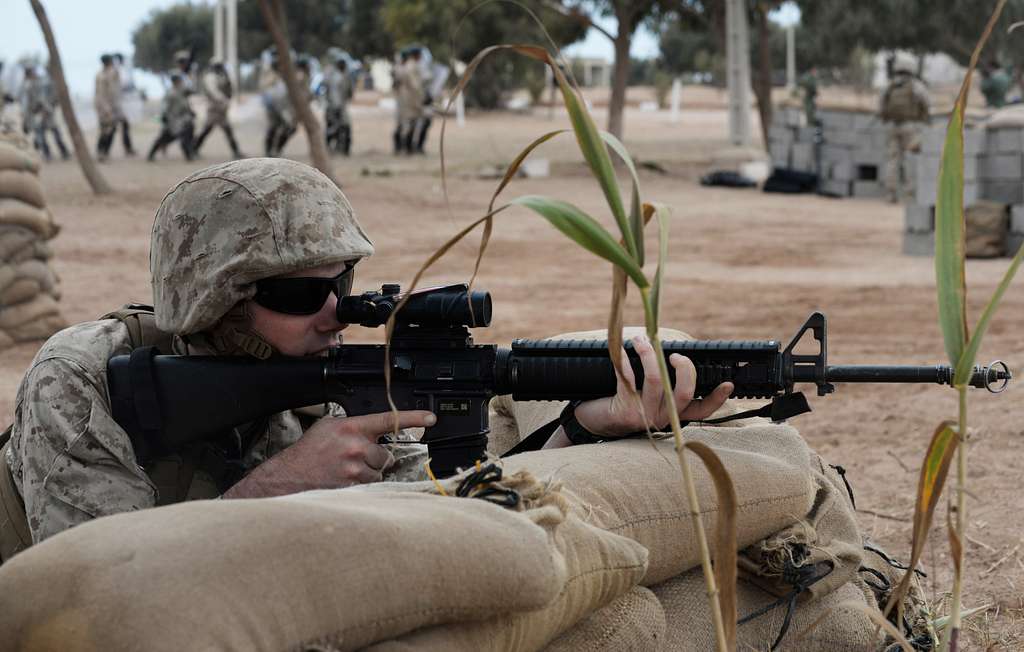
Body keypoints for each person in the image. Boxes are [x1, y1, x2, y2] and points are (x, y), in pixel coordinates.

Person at [0, 158, 732, 554]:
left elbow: (450, 507)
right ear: (216, 298)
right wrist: (280, 486)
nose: (334, 312)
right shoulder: (84, 378)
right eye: (299, 294)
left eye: (343, 287)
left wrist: (587, 427)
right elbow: (99, 583)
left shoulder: (327, 386)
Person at [879, 55, 930, 204]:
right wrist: (925, 118)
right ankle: (909, 194)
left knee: (892, 160)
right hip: (910, 126)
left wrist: (885, 117)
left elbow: (880, 104)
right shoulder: (916, 85)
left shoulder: (890, 85)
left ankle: (891, 194)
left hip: (892, 126)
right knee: (910, 158)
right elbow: (927, 102)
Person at [193, 59, 242, 159]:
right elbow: (213, 92)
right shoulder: (210, 77)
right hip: (214, 108)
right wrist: (224, 100)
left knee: (227, 130)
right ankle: (193, 149)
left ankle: (236, 152)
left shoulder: (222, 76)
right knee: (207, 130)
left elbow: (229, 89)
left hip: (222, 109)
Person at [19, 65, 69, 161]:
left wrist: (48, 108)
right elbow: (28, 103)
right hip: (37, 113)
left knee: (55, 133)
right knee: (41, 136)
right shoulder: (27, 86)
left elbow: (51, 97)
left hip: (47, 112)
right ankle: (47, 154)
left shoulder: (43, 82)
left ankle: (63, 152)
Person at [146, 74, 196, 162]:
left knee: (184, 136)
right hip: (173, 120)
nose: (181, 82)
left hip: (182, 119)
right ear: (175, 81)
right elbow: (165, 106)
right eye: (179, 80)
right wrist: (164, 116)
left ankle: (189, 155)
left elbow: (190, 93)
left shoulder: (181, 90)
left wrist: (190, 111)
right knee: (164, 137)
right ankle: (151, 155)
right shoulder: (171, 93)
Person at [259, 54, 296, 157]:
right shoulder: (270, 77)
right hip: (273, 107)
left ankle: (277, 149)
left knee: (289, 127)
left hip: (283, 107)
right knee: (273, 128)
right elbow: (266, 92)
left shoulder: (284, 76)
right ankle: (269, 151)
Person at [392, 48, 424, 155]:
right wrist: (420, 100)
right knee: (409, 123)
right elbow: (415, 86)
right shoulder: (410, 67)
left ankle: (404, 147)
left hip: (406, 99)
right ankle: (406, 148)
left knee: (406, 123)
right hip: (409, 99)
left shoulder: (407, 66)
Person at [93, 54, 121, 162]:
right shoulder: (101, 76)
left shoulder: (111, 73)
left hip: (111, 107)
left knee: (111, 129)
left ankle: (104, 152)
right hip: (105, 108)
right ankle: (101, 152)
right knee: (106, 130)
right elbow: (100, 94)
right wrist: (106, 109)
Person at [324, 56, 353, 156]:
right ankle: (340, 149)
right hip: (336, 107)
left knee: (341, 128)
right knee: (338, 128)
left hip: (338, 106)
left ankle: (341, 149)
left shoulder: (342, 76)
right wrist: (337, 108)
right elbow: (334, 94)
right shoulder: (337, 77)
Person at [110, 53, 137, 156]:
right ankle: (103, 149)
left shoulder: (120, 70)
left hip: (120, 103)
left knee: (123, 125)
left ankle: (128, 148)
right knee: (112, 127)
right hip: (115, 104)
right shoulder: (115, 71)